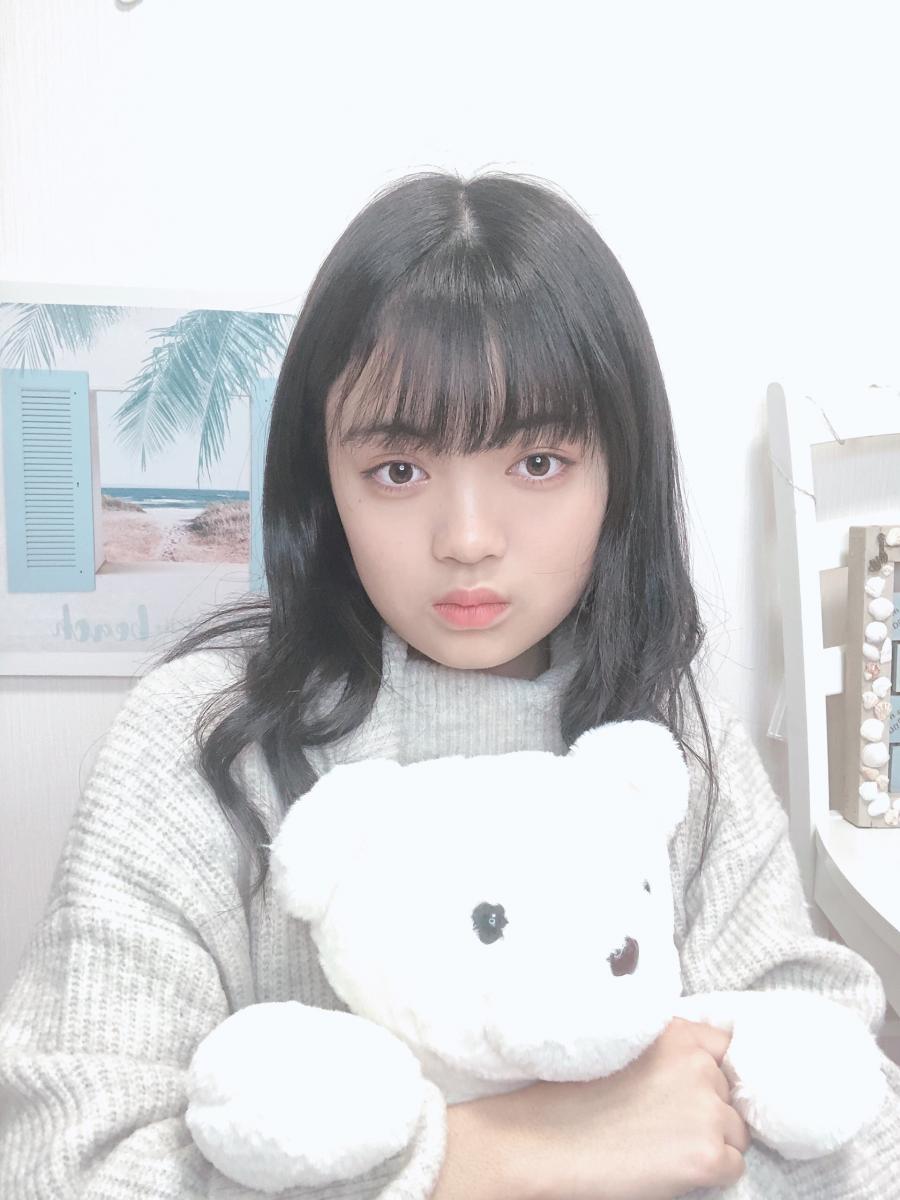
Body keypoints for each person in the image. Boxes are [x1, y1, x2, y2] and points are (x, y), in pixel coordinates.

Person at [0, 170, 898, 1200]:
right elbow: (61, 1167)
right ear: (323, 483)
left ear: (620, 472)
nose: (467, 540)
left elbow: (855, 1124)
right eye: (399, 470)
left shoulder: (675, 747)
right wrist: (505, 1158)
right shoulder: (203, 741)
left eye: (539, 462)